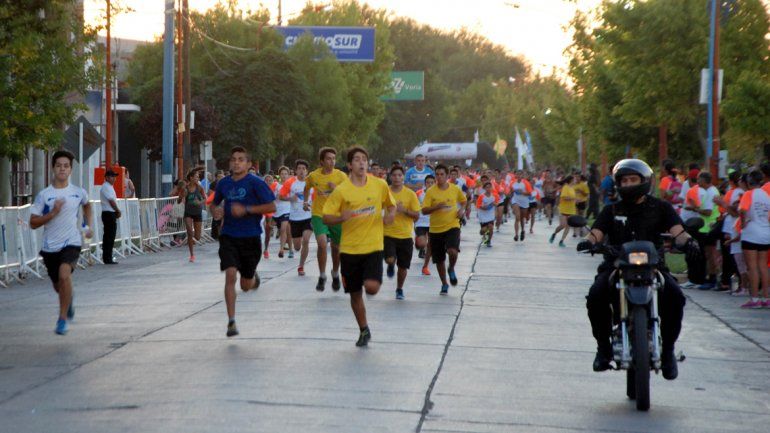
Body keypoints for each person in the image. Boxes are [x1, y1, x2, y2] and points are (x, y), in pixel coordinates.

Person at [579, 158, 698, 380]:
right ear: (618, 183)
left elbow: (678, 231)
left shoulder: (661, 208)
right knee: (595, 295)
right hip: (616, 265)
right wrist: (589, 241)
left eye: (633, 179)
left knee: (675, 297)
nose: (629, 184)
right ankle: (603, 348)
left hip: (654, 267)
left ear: (644, 181)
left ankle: (669, 351)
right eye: (624, 180)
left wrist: (688, 242)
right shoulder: (611, 209)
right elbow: (596, 232)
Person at [323, 146, 395, 346]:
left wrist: (390, 214)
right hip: (349, 250)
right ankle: (364, 330)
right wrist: (340, 217)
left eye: (364, 159)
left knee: (371, 288)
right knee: (355, 294)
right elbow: (326, 217)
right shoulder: (341, 191)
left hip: (373, 246)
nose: (362, 162)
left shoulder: (379, 184)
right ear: (349, 165)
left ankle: (371, 278)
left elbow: (391, 204)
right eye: (357, 159)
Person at [210, 146, 276, 337]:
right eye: (234, 159)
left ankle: (253, 279)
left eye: (241, 159)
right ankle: (231, 321)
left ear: (248, 164)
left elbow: (271, 205)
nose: (236, 162)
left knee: (245, 285)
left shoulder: (255, 183)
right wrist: (215, 210)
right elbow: (214, 203)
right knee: (230, 275)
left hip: (251, 237)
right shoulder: (223, 184)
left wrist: (247, 209)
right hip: (229, 235)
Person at [30, 150, 93, 335]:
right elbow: (33, 222)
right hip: (50, 247)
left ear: (71, 169)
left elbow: (87, 205)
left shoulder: (77, 192)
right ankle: (69, 298)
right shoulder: (45, 195)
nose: (62, 169)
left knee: (65, 275)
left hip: (71, 243)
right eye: (59, 166)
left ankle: (62, 319)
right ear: (53, 168)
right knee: (59, 286)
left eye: (66, 166)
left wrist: (87, 225)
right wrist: (52, 213)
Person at [304, 147, 347, 292]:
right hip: (319, 214)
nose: (332, 161)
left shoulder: (341, 176)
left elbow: (349, 195)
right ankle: (322, 275)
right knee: (322, 244)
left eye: (334, 159)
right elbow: (306, 187)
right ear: (322, 161)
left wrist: (337, 189)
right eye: (329, 159)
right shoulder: (313, 176)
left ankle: (335, 273)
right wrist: (305, 201)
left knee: (336, 248)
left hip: (336, 215)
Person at [422, 164, 468, 295]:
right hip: (435, 230)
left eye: (442, 174)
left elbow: (464, 201)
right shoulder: (431, 191)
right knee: (439, 259)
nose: (439, 177)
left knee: (453, 251)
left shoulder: (455, 189)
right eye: (437, 174)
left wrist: (462, 210)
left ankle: (451, 268)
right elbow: (424, 210)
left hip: (452, 225)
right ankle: (444, 283)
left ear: (447, 176)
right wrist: (436, 207)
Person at [383, 165, 421, 300]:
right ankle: (390, 264)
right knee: (389, 258)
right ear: (390, 177)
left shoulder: (410, 194)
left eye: (400, 175)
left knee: (403, 267)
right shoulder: (384, 192)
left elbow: (416, 216)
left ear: (403, 177)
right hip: (388, 233)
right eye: (394, 175)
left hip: (405, 235)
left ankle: (399, 289)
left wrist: (404, 210)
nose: (397, 178)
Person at [737, 170, 770, 308]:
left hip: (751, 233)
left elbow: (742, 210)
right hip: (765, 233)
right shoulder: (766, 195)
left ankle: (755, 298)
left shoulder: (748, 194)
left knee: (752, 267)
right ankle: (766, 298)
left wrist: (743, 222)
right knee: (763, 266)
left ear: (749, 182)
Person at [280, 160, 313, 276]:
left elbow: (317, 198)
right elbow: (280, 196)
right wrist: (290, 199)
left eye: (304, 168)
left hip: (308, 216)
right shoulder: (290, 182)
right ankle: (297, 252)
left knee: (306, 240)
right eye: (299, 168)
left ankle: (301, 266)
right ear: (296, 170)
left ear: (307, 171)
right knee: (297, 246)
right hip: (294, 218)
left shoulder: (312, 182)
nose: (302, 170)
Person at [178, 170, 205, 262]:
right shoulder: (185, 188)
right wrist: (182, 196)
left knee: (197, 237)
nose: (198, 178)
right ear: (191, 178)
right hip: (188, 213)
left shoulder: (200, 188)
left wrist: (199, 202)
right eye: (196, 177)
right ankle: (192, 255)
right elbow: (178, 201)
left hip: (197, 213)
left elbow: (206, 198)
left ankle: (192, 238)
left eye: (198, 177)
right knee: (190, 232)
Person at [99, 170, 121, 265]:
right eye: (112, 176)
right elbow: (111, 201)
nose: (114, 178)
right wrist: (117, 210)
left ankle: (108, 256)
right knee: (109, 236)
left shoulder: (110, 187)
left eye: (115, 176)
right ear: (107, 177)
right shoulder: (106, 187)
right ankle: (107, 258)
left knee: (110, 236)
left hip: (110, 213)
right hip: (108, 213)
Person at [549, 175, 577, 247]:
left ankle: (562, 241)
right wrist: (572, 198)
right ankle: (554, 234)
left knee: (568, 226)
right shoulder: (565, 187)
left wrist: (576, 200)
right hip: (563, 209)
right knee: (562, 225)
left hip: (571, 210)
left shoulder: (572, 188)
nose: (575, 180)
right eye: (574, 179)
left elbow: (573, 198)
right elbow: (564, 197)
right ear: (571, 180)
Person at [416, 175, 434, 275]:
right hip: (421, 221)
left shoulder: (437, 193)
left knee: (430, 244)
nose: (430, 184)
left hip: (433, 222)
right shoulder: (419, 193)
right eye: (428, 182)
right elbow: (413, 204)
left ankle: (425, 266)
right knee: (422, 244)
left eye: (432, 182)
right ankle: (418, 242)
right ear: (425, 184)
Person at [273, 166, 292, 258]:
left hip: (287, 210)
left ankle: (281, 249)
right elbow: (271, 197)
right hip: (277, 211)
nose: (284, 176)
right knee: (284, 230)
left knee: (284, 229)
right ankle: (289, 246)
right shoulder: (276, 185)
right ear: (279, 175)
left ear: (288, 175)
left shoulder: (291, 186)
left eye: (285, 174)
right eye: (282, 174)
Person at [476, 179, 499, 247]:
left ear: (492, 187)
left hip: (490, 214)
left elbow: (497, 203)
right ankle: (483, 233)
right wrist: (483, 207)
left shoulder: (495, 195)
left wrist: (495, 204)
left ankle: (489, 241)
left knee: (491, 227)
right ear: (484, 188)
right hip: (482, 215)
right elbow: (478, 205)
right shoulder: (481, 196)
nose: (488, 189)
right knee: (483, 231)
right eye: (487, 187)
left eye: (490, 187)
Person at [511, 170, 533, 241]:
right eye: (517, 174)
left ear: (522, 175)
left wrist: (522, 192)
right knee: (517, 217)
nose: (519, 176)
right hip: (515, 201)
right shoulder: (512, 182)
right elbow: (510, 192)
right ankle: (516, 234)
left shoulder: (526, 183)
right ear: (516, 175)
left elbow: (530, 193)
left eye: (520, 174)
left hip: (524, 202)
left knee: (522, 218)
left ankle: (523, 230)